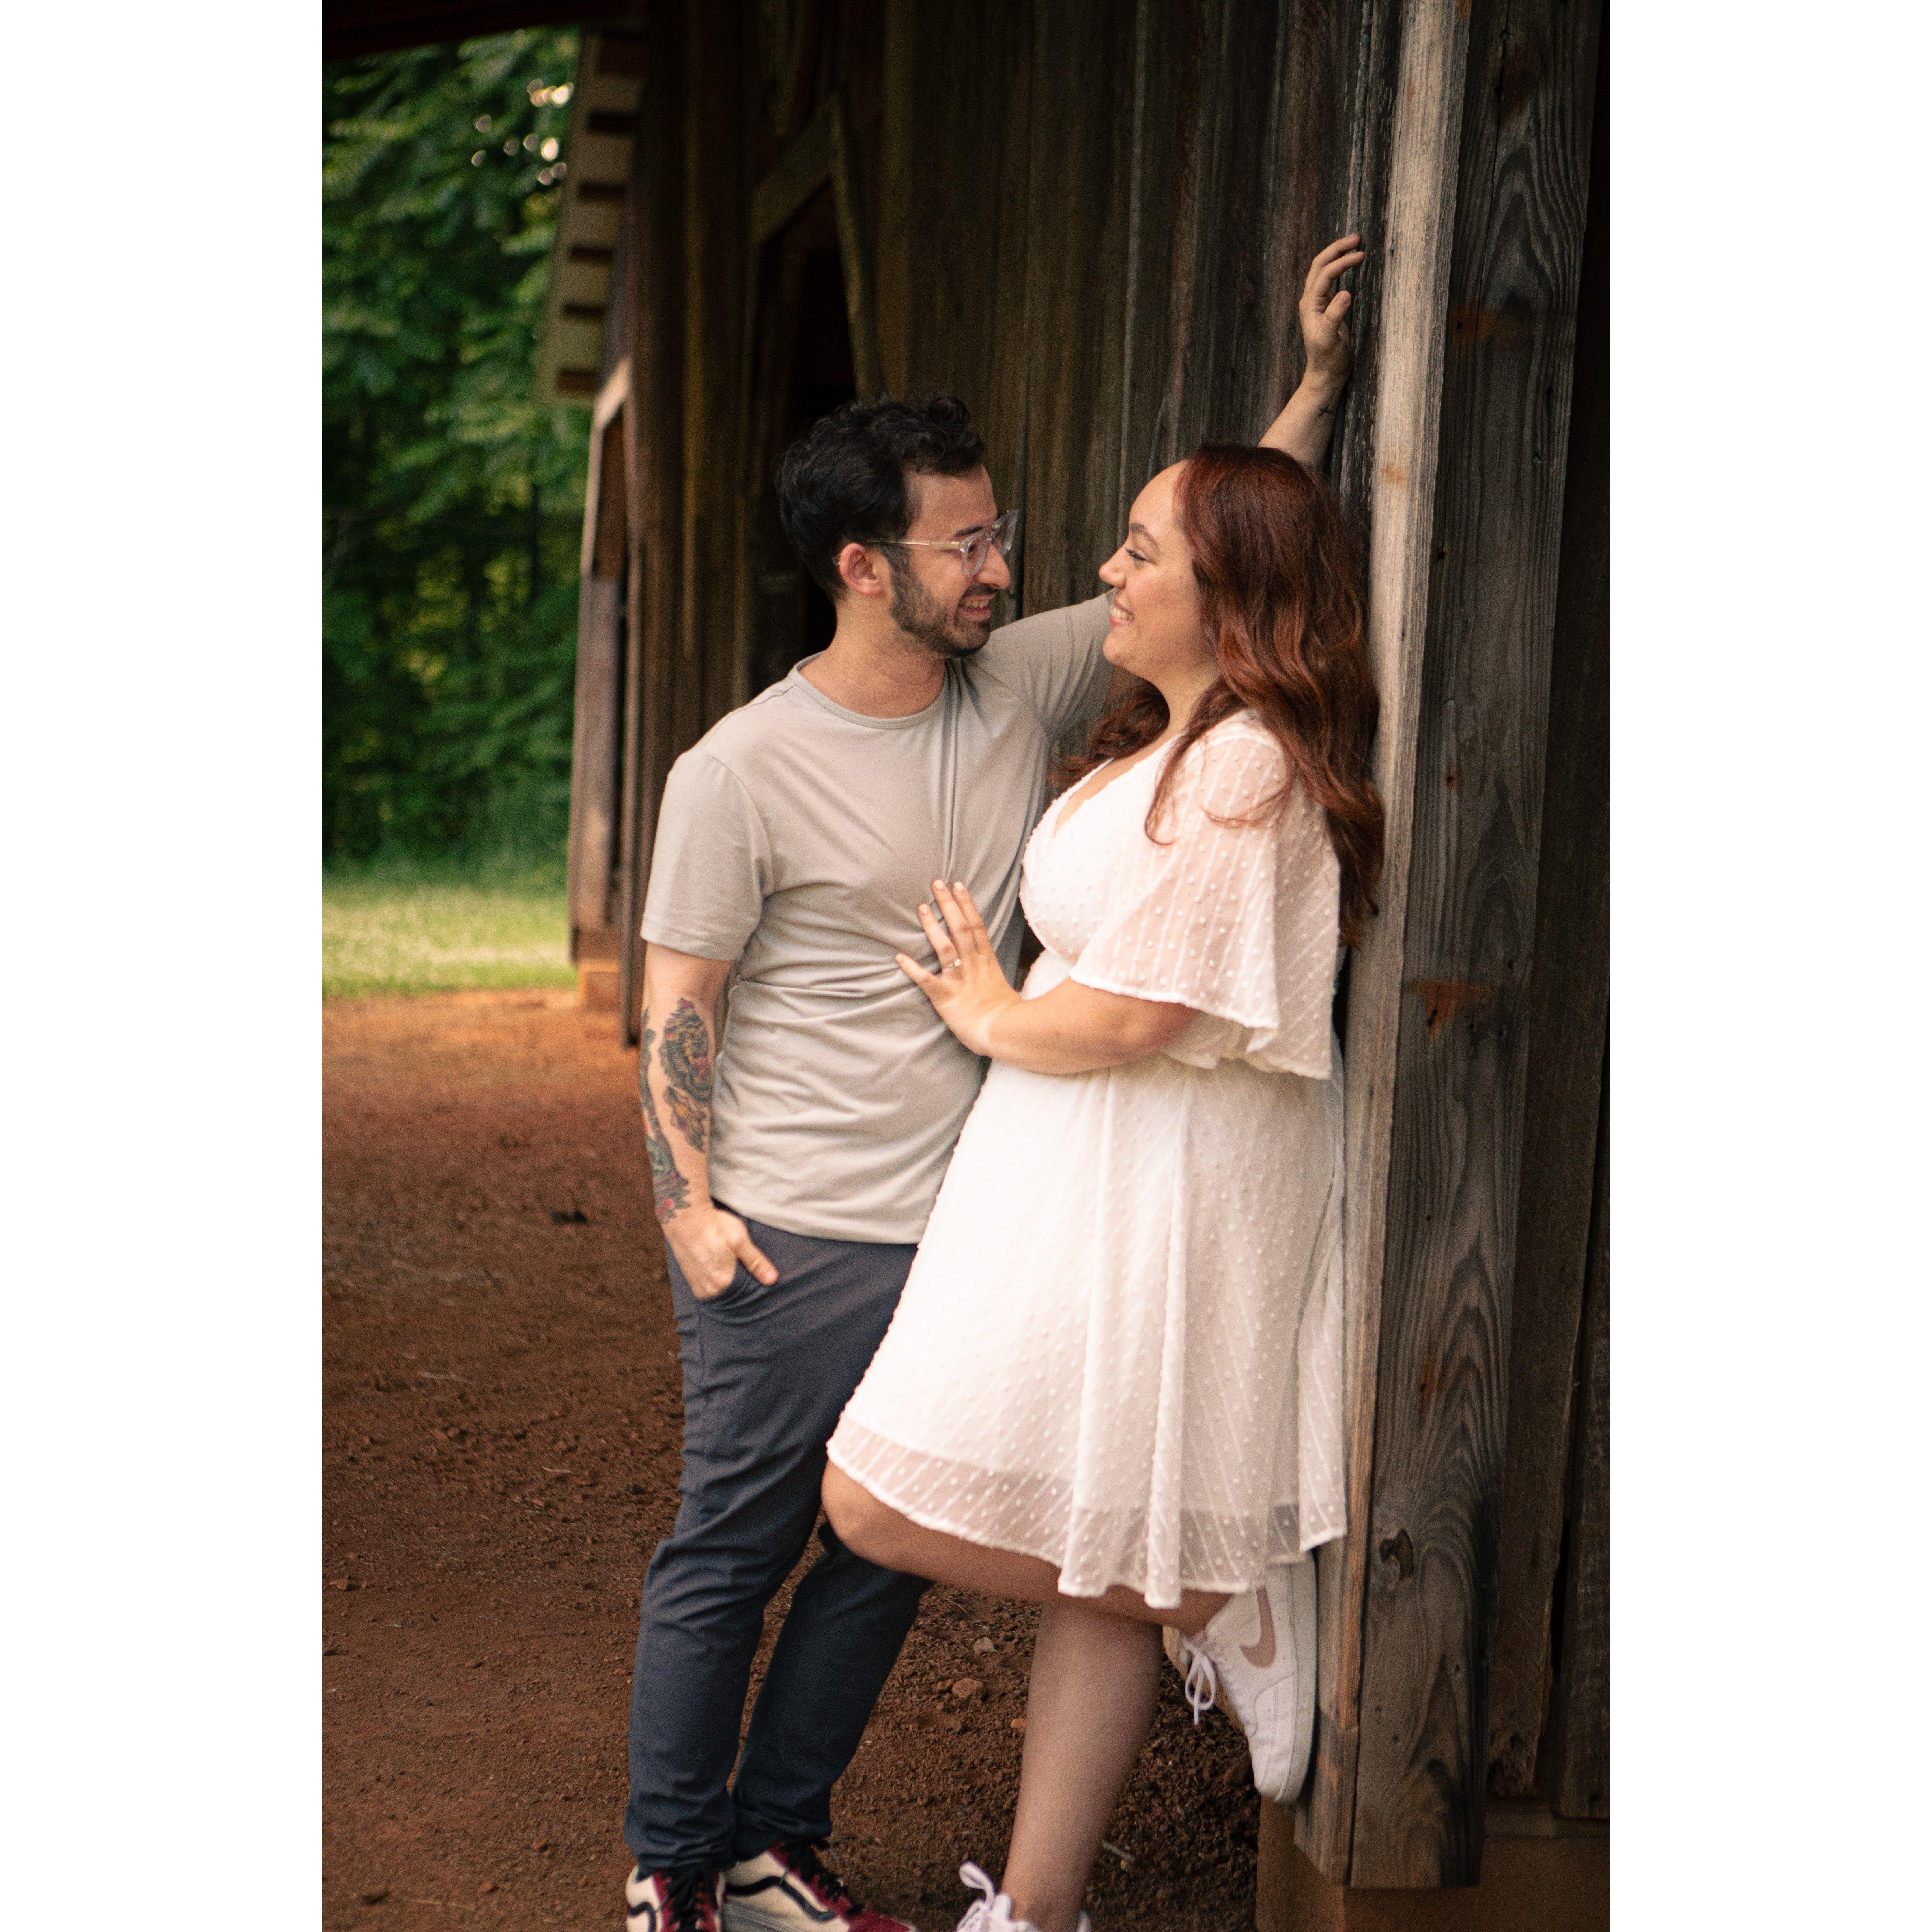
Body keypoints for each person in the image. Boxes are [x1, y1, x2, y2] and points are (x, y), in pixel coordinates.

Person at [621, 239, 1368, 1932]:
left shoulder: (1010, 680)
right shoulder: (737, 769)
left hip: (961, 1222)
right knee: (738, 1547)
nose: (1004, 564)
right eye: (964, 542)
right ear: (862, 567)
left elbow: (1224, 558)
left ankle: (772, 1850)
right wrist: (688, 1209)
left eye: (999, 532)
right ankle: (668, 1872)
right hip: (793, 1222)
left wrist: (1315, 390)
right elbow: (677, 1006)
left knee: (880, 1561)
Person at [820, 434, 1383, 1932]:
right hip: (1084, 1176)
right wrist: (1310, 390)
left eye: (1143, 550)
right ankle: (1036, 1909)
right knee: (1093, 1552)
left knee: (869, 1498)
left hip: (1168, 1190)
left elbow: (1143, 1013)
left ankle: (1208, 1589)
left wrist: (987, 1014)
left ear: (1232, 589)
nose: (1106, 570)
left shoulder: (1249, 761)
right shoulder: (1165, 742)